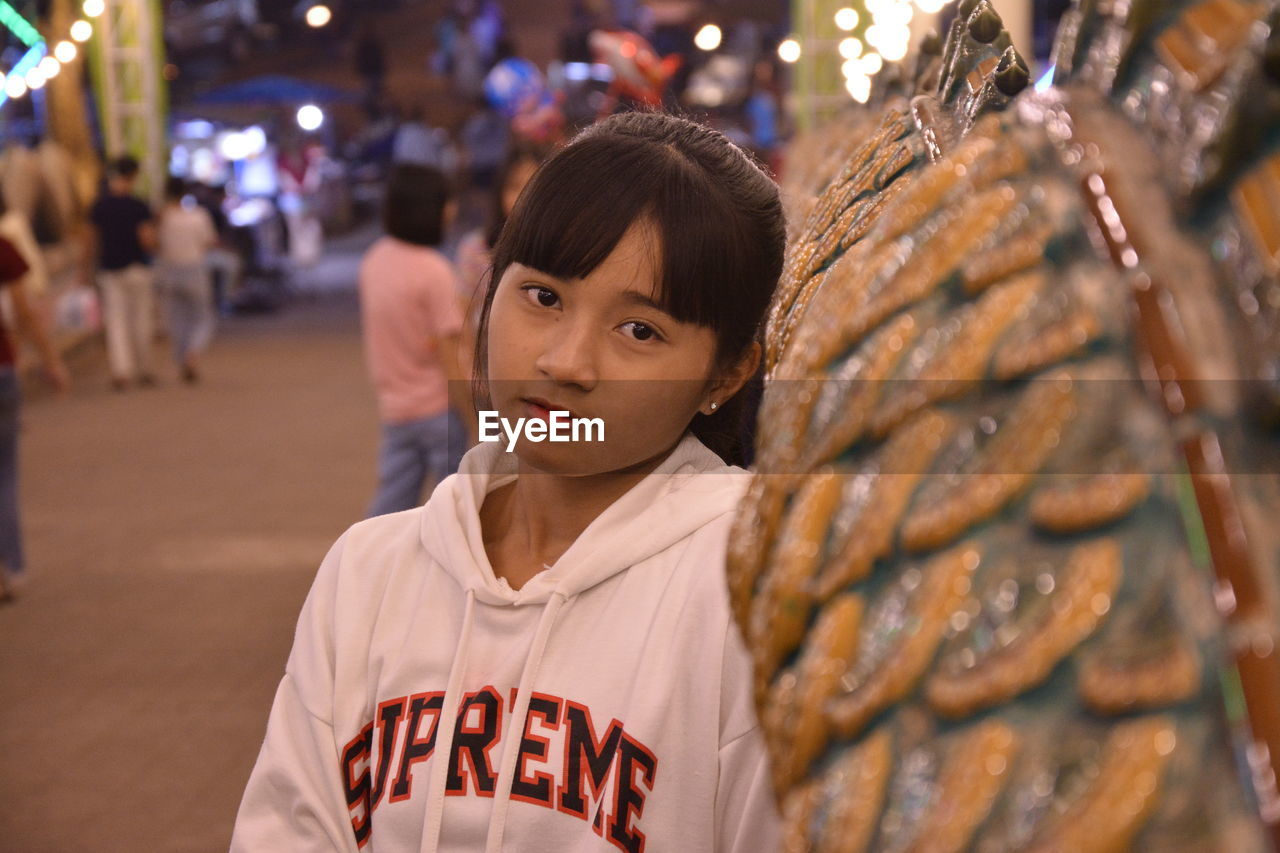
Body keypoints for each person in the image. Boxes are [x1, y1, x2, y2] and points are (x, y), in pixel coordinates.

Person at [232, 111, 785, 851]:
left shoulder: (756, 593)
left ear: (725, 373)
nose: (566, 361)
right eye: (545, 297)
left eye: (640, 330)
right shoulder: (366, 574)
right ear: (491, 290)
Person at [359, 164, 470, 518]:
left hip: (395, 408)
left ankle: (367, 568)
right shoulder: (433, 269)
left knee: (389, 508)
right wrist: (475, 416)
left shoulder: (375, 259)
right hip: (440, 411)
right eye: (447, 202)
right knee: (455, 509)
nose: (452, 210)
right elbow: (451, 357)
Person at [0, 234, 70, 601]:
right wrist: (51, 360)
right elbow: (22, 312)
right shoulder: (4, 248)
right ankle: (7, 568)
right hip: (2, 371)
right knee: (5, 475)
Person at [84, 155, 157, 391]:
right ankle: (144, 368)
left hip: (109, 269)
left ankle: (121, 371)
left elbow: (90, 241)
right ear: (134, 175)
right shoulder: (138, 205)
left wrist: (84, 269)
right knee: (141, 319)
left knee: (116, 322)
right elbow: (146, 239)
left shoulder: (100, 205)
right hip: (137, 268)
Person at [156, 177, 218, 383]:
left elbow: (154, 243)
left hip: (170, 271)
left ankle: (182, 359)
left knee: (177, 319)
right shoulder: (198, 216)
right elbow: (209, 241)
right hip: (194, 269)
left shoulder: (163, 218)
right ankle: (193, 353)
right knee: (202, 317)